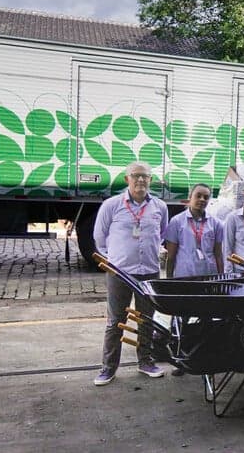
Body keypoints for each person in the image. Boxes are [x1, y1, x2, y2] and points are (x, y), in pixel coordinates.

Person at [92, 161, 169, 385]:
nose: (141, 180)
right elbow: (99, 237)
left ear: (151, 180)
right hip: (120, 274)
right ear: (127, 179)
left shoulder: (160, 207)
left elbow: (162, 233)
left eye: (145, 176)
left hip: (149, 272)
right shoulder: (111, 205)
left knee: (146, 319)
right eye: (136, 176)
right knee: (116, 320)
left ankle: (145, 362)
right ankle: (108, 368)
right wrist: (114, 260)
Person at [164, 183, 225, 278]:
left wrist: (221, 278)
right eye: (198, 196)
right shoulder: (176, 221)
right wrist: (169, 280)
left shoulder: (216, 224)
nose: (202, 199)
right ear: (190, 196)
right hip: (184, 275)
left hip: (209, 276)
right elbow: (171, 257)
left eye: (206, 197)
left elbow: (218, 255)